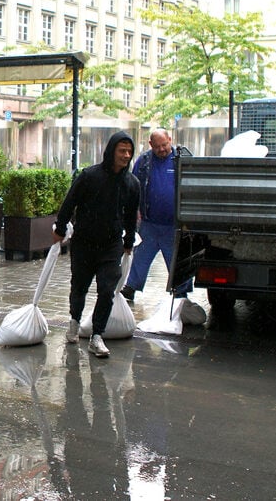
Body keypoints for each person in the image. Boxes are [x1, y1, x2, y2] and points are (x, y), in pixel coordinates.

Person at [54, 131, 140, 358]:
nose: (126, 155)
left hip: (111, 245)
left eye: (129, 152)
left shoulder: (132, 183)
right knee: (79, 287)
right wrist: (60, 228)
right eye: (122, 151)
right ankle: (74, 321)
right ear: (111, 151)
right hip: (84, 242)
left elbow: (131, 216)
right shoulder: (89, 176)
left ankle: (97, 336)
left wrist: (129, 241)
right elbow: (69, 202)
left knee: (107, 290)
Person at [121, 129, 193, 303]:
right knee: (140, 257)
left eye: (165, 145)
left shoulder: (182, 159)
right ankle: (131, 287)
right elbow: (133, 185)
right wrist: (134, 209)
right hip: (149, 222)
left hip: (174, 224)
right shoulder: (144, 161)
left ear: (170, 140)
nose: (162, 149)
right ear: (150, 145)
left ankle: (181, 293)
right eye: (158, 146)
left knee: (176, 260)